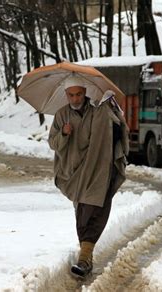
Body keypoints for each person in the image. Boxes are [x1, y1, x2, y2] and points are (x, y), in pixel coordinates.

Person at [48, 74, 129, 278]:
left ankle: (84, 259)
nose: (75, 99)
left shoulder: (97, 113)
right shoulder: (61, 116)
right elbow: (53, 144)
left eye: (78, 94)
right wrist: (64, 134)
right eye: (71, 95)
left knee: (93, 209)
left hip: (97, 171)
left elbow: (116, 130)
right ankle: (86, 257)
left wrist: (114, 114)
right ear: (66, 95)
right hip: (72, 174)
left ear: (85, 93)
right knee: (82, 212)